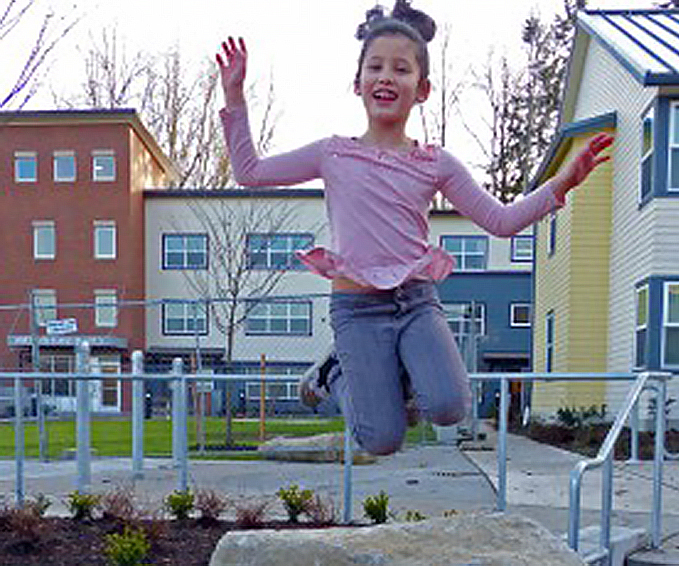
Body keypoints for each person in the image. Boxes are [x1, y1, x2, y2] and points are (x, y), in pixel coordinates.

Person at [215, 0, 613, 456]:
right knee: (381, 440)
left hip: (414, 303)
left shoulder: (435, 163)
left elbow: (500, 222)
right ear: (358, 83)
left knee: (448, 407)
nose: (387, 76)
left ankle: (396, 369)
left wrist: (561, 184)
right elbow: (249, 171)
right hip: (357, 309)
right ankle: (334, 375)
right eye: (376, 67)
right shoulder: (332, 154)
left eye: (401, 70)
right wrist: (235, 98)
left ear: (421, 89)